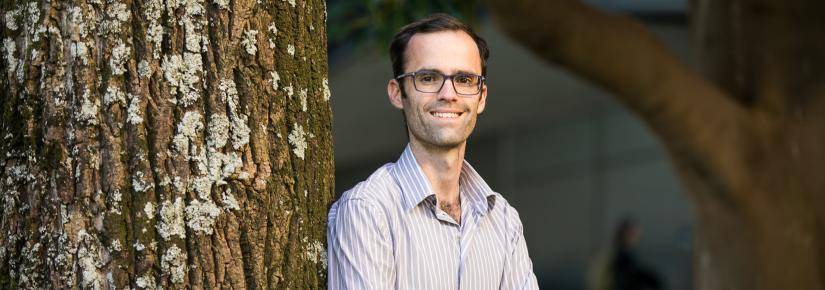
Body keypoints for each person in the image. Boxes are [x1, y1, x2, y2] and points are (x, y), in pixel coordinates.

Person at [327, 13, 539, 290]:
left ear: (481, 96)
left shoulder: (503, 221)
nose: (448, 93)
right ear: (397, 93)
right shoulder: (367, 211)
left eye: (463, 79)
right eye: (428, 78)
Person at [609, 216, 664, 290]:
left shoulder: (625, 254)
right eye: (632, 233)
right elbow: (626, 278)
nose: (636, 237)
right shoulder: (620, 256)